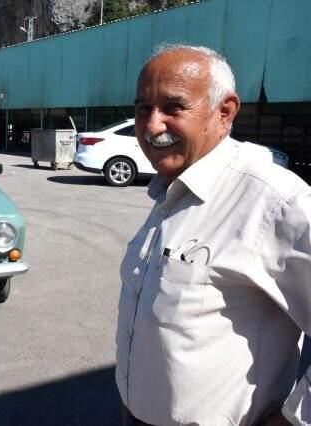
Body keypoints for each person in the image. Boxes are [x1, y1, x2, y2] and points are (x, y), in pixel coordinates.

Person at [117, 44, 311, 425]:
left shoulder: (274, 201)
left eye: (173, 108)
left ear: (224, 112)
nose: (152, 125)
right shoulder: (171, 189)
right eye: (143, 108)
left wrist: (292, 420)